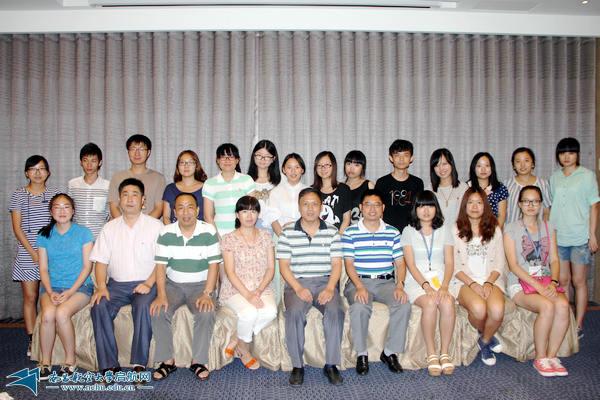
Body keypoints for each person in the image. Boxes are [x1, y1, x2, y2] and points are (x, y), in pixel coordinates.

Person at [90, 178, 162, 379]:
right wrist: (101, 286)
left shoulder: (156, 226)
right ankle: (109, 366)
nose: (130, 199)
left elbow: (162, 262)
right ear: (119, 199)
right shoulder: (109, 228)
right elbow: (100, 262)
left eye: (135, 195)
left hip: (147, 283)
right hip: (117, 285)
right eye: (125, 195)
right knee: (99, 305)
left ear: (143, 200)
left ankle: (139, 364)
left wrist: (149, 283)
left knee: (143, 306)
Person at [278, 188, 345, 386]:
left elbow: (337, 264)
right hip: (297, 284)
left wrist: (330, 288)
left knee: (335, 311)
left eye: (314, 204)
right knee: (294, 313)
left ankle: (331, 365)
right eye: (305, 204)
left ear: (321, 207)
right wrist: (298, 288)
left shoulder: (331, 231)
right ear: (299, 207)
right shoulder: (287, 232)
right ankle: (297, 366)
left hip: (325, 282)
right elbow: (284, 267)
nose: (310, 208)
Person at [150, 193, 221, 381]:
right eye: (180, 208)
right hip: (173, 285)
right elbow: (160, 267)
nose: (185, 212)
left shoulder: (208, 231)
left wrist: (208, 293)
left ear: (197, 211)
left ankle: (198, 361)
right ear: (174, 212)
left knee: (206, 311)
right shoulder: (166, 232)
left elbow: (214, 265)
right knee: (158, 310)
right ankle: (167, 361)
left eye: (190, 207)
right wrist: (161, 294)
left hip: (200, 285)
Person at [342, 189, 410, 375]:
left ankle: (389, 352)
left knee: (403, 305)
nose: (372, 209)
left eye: (377, 205)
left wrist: (400, 285)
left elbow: (400, 263)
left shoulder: (393, 232)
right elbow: (349, 265)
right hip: (359, 281)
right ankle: (361, 354)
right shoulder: (350, 232)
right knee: (359, 306)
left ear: (383, 208)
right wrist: (359, 287)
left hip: (386, 283)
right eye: (368, 205)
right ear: (361, 208)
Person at [504, 186, 570, 377]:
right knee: (547, 306)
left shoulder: (549, 227)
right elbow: (513, 265)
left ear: (541, 204)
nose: (531, 205)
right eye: (526, 201)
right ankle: (540, 357)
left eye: (535, 201)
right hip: (520, 283)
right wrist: (538, 287)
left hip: (545, 280)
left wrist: (553, 282)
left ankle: (552, 356)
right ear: (519, 204)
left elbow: (555, 260)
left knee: (563, 306)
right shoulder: (511, 229)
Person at [36, 194, 94, 380]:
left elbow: (87, 267)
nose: (62, 211)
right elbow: (43, 269)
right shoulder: (44, 235)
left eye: (66, 206)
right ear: (51, 211)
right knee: (47, 315)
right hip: (52, 287)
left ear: (73, 210)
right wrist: (50, 291)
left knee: (61, 313)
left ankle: (70, 360)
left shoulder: (84, 233)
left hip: (80, 287)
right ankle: (45, 361)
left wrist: (70, 291)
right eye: (57, 207)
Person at [401, 191, 455, 376]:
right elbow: (410, 264)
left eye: (430, 206)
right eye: (421, 206)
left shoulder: (444, 230)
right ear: (415, 209)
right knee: (430, 303)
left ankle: (444, 352)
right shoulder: (408, 231)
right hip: (416, 281)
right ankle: (432, 353)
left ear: (436, 208)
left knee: (447, 302)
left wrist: (444, 286)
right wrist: (426, 286)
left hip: (441, 280)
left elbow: (449, 263)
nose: (426, 210)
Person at [449, 187, 506, 366]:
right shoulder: (455, 229)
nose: (475, 207)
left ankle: (485, 340)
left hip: (490, 279)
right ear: (464, 206)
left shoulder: (494, 229)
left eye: (479, 203)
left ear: (485, 206)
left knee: (497, 311)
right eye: (471, 202)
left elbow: (500, 263)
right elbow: (453, 265)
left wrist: (488, 282)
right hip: (464, 281)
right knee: (479, 309)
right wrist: (472, 284)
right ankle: (488, 337)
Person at [9, 155, 59, 356]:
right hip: (27, 253)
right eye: (33, 169)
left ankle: (51, 337)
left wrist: (47, 252)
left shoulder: (55, 194)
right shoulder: (19, 195)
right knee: (30, 297)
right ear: (26, 173)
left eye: (42, 169)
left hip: (51, 252)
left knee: (51, 296)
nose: (38, 173)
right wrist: (33, 252)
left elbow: (59, 224)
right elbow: (17, 228)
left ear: (48, 172)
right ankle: (32, 338)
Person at [549, 137, 599, 337]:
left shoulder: (587, 176)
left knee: (579, 281)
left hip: (579, 236)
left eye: (571, 152)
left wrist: (592, 234)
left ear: (577, 154)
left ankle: (578, 324)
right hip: (558, 236)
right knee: (562, 281)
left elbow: (594, 206)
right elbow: (551, 206)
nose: (566, 157)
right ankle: (566, 321)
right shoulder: (554, 177)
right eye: (563, 153)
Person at [220, 196, 277, 371]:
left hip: (262, 287)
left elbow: (271, 268)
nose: (249, 215)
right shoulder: (228, 238)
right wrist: (248, 296)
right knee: (249, 312)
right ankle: (244, 351)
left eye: (253, 211)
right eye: (244, 211)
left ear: (258, 214)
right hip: (235, 289)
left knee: (270, 312)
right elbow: (230, 272)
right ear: (237, 215)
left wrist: (258, 291)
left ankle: (237, 338)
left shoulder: (266, 236)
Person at [203, 143, 255, 238]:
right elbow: (208, 216)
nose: (227, 160)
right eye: (223, 157)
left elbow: (252, 211)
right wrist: (217, 238)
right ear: (217, 160)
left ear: (237, 160)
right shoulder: (209, 183)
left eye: (231, 157)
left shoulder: (247, 180)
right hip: (219, 234)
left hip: (243, 235)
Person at [107, 134, 166, 219]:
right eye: (133, 149)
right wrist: (125, 224)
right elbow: (114, 207)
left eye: (141, 149)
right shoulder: (117, 177)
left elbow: (159, 208)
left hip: (149, 225)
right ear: (128, 152)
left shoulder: (159, 178)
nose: (137, 153)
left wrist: (143, 225)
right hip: (122, 226)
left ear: (148, 152)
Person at [375, 139, 424, 233]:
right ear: (391, 158)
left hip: (412, 232)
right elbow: (378, 209)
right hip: (387, 232)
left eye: (405, 155)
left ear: (411, 158)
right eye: (397, 155)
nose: (401, 159)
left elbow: (420, 209)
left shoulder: (417, 183)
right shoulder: (382, 182)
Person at [67, 143, 110, 238]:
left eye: (93, 161)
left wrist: (104, 233)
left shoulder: (108, 186)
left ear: (100, 162)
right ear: (81, 162)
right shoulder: (73, 184)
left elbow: (111, 213)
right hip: (76, 236)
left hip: (99, 236)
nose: (89, 165)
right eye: (85, 160)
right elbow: (68, 210)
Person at [505, 147, 551, 224]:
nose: (522, 165)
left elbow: (546, 212)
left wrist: (544, 229)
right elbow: (501, 212)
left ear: (532, 164)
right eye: (518, 161)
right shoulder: (506, 185)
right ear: (513, 165)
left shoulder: (543, 184)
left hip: (536, 229)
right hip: (511, 229)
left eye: (526, 161)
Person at [268, 153, 308, 236]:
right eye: (289, 167)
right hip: (281, 235)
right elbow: (273, 219)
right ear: (284, 170)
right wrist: (283, 237)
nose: (293, 171)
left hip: (305, 235)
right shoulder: (276, 192)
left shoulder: (309, 191)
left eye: (297, 167)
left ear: (302, 170)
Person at [162, 150, 207, 224]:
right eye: (182, 162)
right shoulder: (170, 189)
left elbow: (210, 216)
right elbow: (166, 217)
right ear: (178, 166)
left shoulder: (206, 188)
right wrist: (172, 231)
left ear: (196, 166)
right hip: (174, 230)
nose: (186, 166)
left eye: (190, 162)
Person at [247, 140, 281, 233]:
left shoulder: (281, 181)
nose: (262, 159)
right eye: (259, 155)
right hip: (251, 227)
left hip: (276, 227)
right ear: (254, 156)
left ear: (273, 158)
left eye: (267, 156)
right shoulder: (246, 180)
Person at [313, 151, 351, 233]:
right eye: (319, 165)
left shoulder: (344, 189)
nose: (323, 168)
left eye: (327, 165)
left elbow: (346, 219)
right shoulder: (312, 191)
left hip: (338, 236)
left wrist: (339, 236)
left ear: (333, 166)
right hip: (317, 236)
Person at [427, 148, 468, 226]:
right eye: (437, 165)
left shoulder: (463, 188)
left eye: (444, 164)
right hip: (437, 232)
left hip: (459, 232)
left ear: (451, 164)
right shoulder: (429, 190)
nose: (441, 168)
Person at [468, 152, 508, 227]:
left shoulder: (500, 188)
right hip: (470, 229)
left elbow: (501, 216)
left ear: (492, 168)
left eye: (487, 165)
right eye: (479, 166)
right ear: (473, 168)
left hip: (493, 229)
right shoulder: (466, 187)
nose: (483, 169)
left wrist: (495, 232)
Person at [343, 150, 375, 226]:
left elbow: (376, 209)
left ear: (362, 168)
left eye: (356, 165)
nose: (351, 168)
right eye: (348, 164)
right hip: (344, 229)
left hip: (364, 228)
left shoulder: (369, 185)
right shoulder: (340, 187)